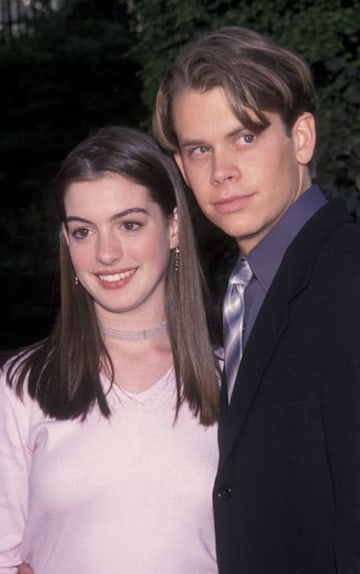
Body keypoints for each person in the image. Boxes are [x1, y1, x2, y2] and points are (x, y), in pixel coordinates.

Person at [152, 25, 360, 574]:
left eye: (245, 136)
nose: (222, 171)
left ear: (302, 139)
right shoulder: (247, 288)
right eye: (200, 149)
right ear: (181, 169)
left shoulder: (347, 280)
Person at [0, 126, 221, 574]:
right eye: (83, 231)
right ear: (66, 242)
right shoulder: (22, 386)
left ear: (173, 227)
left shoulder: (234, 379)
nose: (106, 252)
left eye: (130, 224)